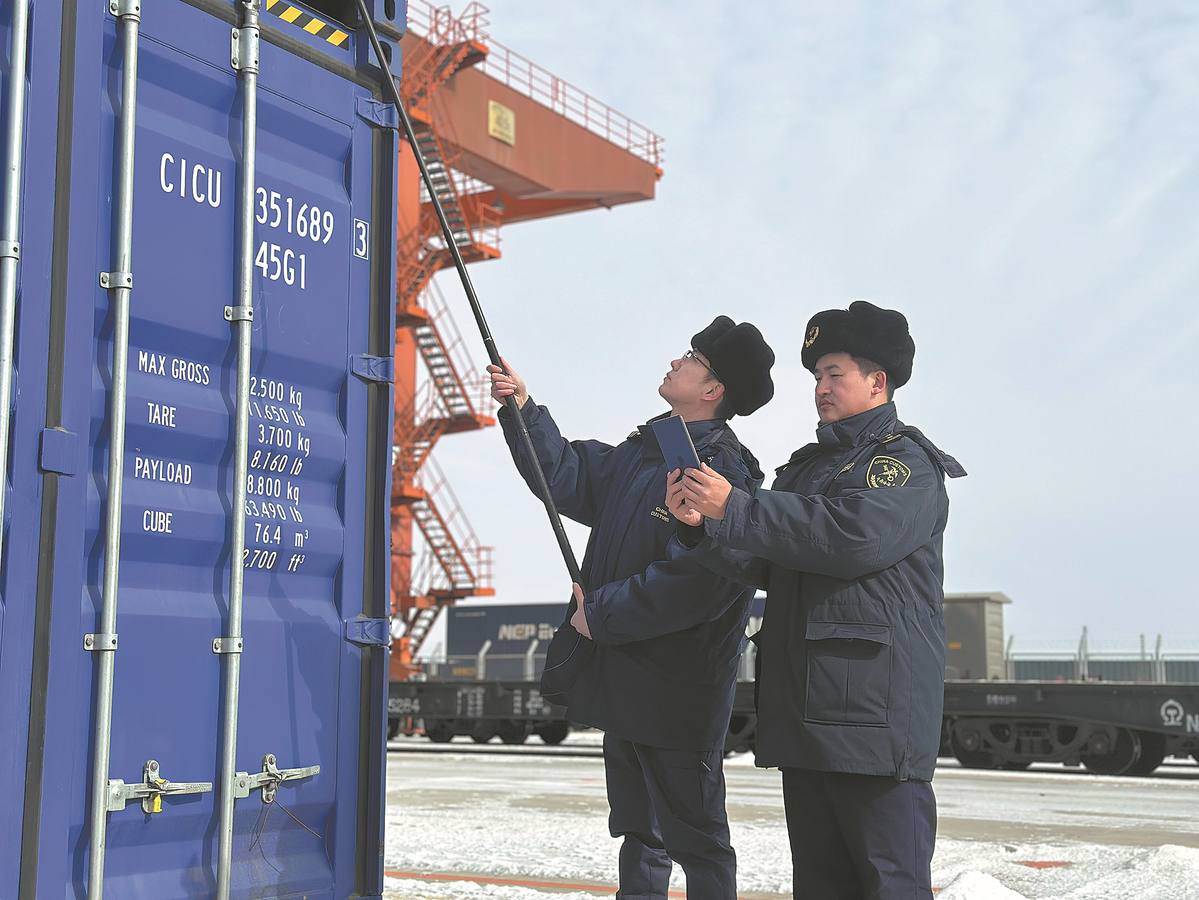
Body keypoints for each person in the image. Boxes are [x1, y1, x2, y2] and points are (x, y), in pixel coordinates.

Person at [666, 301, 965, 900]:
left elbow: (853, 537)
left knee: (891, 887)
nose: (821, 388)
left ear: (878, 381)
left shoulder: (904, 464)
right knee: (821, 887)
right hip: (807, 719)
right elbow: (772, 562)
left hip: (874, 727)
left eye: (835, 374)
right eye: (817, 376)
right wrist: (702, 528)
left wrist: (737, 507)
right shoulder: (807, 471)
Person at [488, 317, 775, 900]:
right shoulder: (645, 454)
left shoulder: (722, 473)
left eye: (691, 357)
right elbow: (564, 474)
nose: (676, 360)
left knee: (697, 841)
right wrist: (523, 408)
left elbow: (701, 582)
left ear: (713, 389)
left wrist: (600, 613)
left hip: (677, 692)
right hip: (626, 683)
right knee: (640, 834)